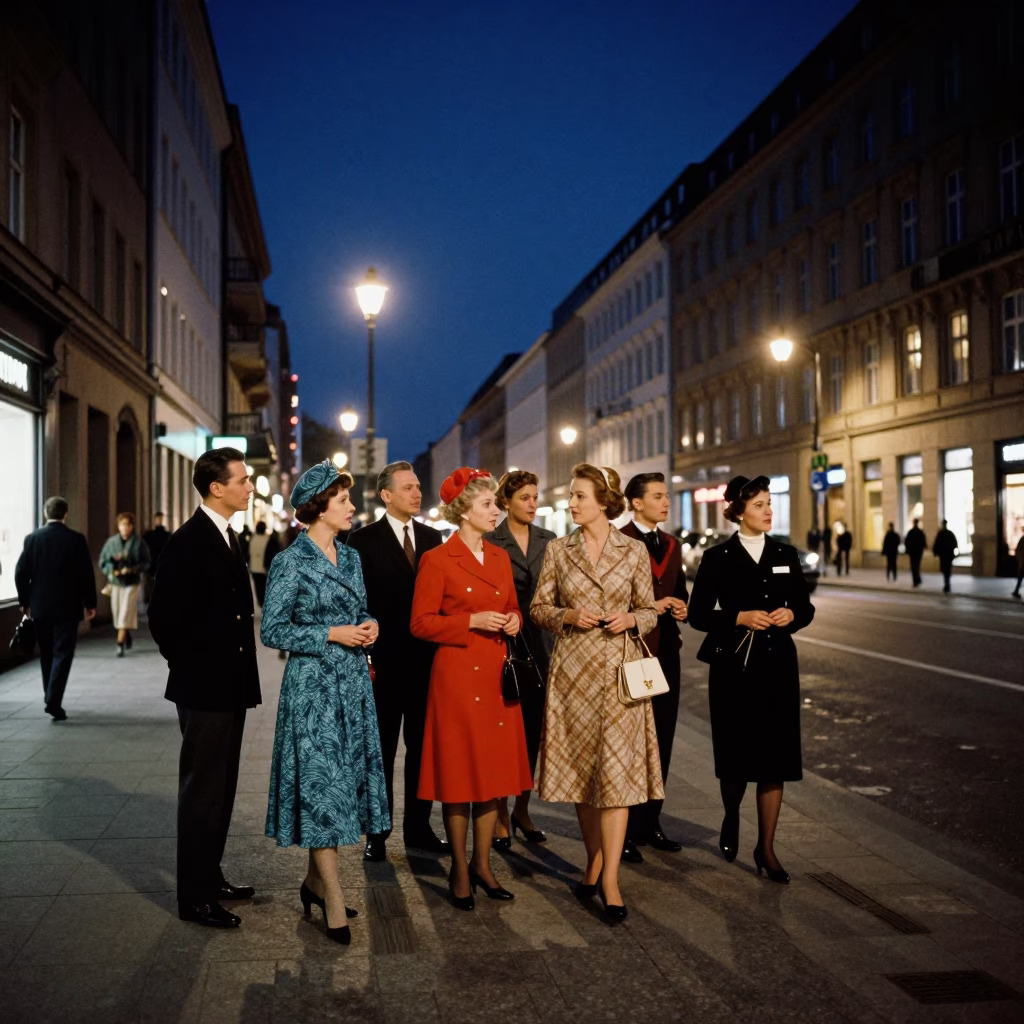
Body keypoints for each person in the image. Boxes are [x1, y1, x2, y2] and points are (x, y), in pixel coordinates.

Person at [262, 463, 389, 946]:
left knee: (346, 786)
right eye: (342, 500)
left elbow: (359, 609)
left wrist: (369, 624)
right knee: (323, 789)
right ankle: (333, 897)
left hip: (353, 683)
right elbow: (272, 630)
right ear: (319, 508)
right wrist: (329, 633)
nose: (352, 506)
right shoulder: (289, 562)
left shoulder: (351, 559)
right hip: (313, 689)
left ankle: (316, 884)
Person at [531, 463, 660, 923]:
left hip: (622, 676)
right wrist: (567, 616)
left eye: (580, 496)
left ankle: (610, 880)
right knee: (587, 777)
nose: (572, 503)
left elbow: (650, 610)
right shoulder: (558, 551)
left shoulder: (633, 550)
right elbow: (539, 608)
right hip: (574, 675)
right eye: (571, 496)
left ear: (604, 500)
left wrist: (633, 619)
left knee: (617, 781)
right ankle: (594, 860)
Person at [148, 448, 261, 929]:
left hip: (230, 683)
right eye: (243, 479)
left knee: (222, 787)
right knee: (201, 791)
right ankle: (193, 896)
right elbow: (163, 619)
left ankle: (210, 875)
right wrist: (194, 666)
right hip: (205, 686)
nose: (249, 485)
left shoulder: (227, 536)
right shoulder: (189, 540)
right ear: (217, 487)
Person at [411, 468, 532, 910]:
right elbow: (420, 624)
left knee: (493, 779)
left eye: (495, 504)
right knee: (461, 778)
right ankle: (459, 868)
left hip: (497, 675)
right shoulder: (438, 559)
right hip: (458, 677)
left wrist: (514, 619)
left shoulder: (499, 557)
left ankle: (483, 864)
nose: (496, 510)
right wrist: (471, 622)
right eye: (487, 505)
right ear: (463, 511)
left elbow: (512, 605)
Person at [687, 475, 815, 885]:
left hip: (778, 665)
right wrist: (738, 617)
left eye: (769, 503)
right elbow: (699, 614)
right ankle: (730, 815)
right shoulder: (718, 557)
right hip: (734, 668)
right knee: (737, 756)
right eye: (760, 504)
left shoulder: (785, 553)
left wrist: (793, 615)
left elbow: (804, 605)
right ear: (739, 511)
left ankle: (767, 848)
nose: (768, 510)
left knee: (775, 760)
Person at [347, 461, 448, 860]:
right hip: (383, 664)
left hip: (425, 662)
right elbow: (356, 600)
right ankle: (378, 832)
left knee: (422, 748)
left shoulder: (432, 536)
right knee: (382, 750)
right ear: (386, 495)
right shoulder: (363, 540)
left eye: (418, 486)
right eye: (407, 487)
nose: (416, 493)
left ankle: (419, 827)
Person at [483, 470, 556, 848]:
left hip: (543, 647)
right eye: (525, 497)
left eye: (535, 496)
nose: (532, 503)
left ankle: (522, 809)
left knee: (532, 734)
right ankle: (497, 813)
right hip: (504, 644)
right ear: (506, 501)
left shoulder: (550, 540)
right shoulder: (490, 540)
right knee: (503, 732)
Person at [619, 471, 689, 863]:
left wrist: (681, 606)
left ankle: (651, 822)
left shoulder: (671, 544)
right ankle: (625, 828)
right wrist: (649, 610)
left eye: (667, 496)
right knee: (631, 742)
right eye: (658, 496)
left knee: (662, 738)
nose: (666, 502)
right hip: (632, 651)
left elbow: (679, 591)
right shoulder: (620, 542)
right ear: (637, 502)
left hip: (666, 652)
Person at [14, 496, 97, 721]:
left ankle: (49, 694)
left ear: (45, 513)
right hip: (68, 607)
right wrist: (90, 604)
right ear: (66, 513)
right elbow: (85, 574)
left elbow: (20, 572)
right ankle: (53, 699)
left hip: (40, 607)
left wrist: (25, 601)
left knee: (47, 653)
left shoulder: (32, 539)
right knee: (63, 653)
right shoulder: (75, 539)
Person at [99, 513, 151, 657]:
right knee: (118, 614)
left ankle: (119, 644)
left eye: (128, 525)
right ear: (118, 526)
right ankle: (126, 635)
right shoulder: (112, 542)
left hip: (131, 582)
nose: (125, 528)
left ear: (132, 526)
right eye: (122, 524)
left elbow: (146, 562)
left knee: (125, 612)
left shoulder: (139, 542)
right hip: (116, 583)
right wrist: (111, 570)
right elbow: (103, 561)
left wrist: (133, 569)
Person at [142, 513, 170, 602]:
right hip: (154, 561)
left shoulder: (149, 535)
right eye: (158, 518)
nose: (159, 520)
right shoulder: (166, 535)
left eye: (160, 518)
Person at [248, 521, 271, 607]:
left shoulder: (252, 539)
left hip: (254, 568)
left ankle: (261, 604)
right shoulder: (268, 540)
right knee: (266, 589)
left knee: (258, 588)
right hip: (265, 570)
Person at [933, 520, 958, 594]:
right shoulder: (947, 534)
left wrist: (935, 552)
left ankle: (947, 584)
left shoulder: (942, 534)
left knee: (946, 570)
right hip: (946, 555)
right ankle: (947, 584)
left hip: (945, 555)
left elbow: (937, 544)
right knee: (946, 570)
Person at [905, 518, 927, 587]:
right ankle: (917, 580)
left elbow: (907, 542)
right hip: (916, 552)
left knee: (915, 567)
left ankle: (916, 580)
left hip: (914, 552)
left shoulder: (912, 532)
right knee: (916, 566)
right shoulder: (918, 532)